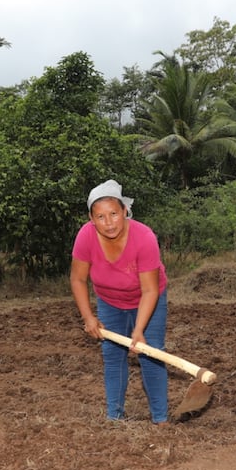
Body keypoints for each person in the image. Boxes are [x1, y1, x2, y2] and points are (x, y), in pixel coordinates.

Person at [70, 180, 170, 424]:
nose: (109, 222)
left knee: (151, 353)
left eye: (114, 214)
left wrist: (138, 331)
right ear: (91, 219)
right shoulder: (86, 236)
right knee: (112, 355)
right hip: (110, 300)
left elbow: (149, 290)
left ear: (125, 211)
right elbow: (77, 279)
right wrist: (89, 318)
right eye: (101, 217)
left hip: (148, 298)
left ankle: (161, 420)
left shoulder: (144, 237)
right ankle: (114, 417)